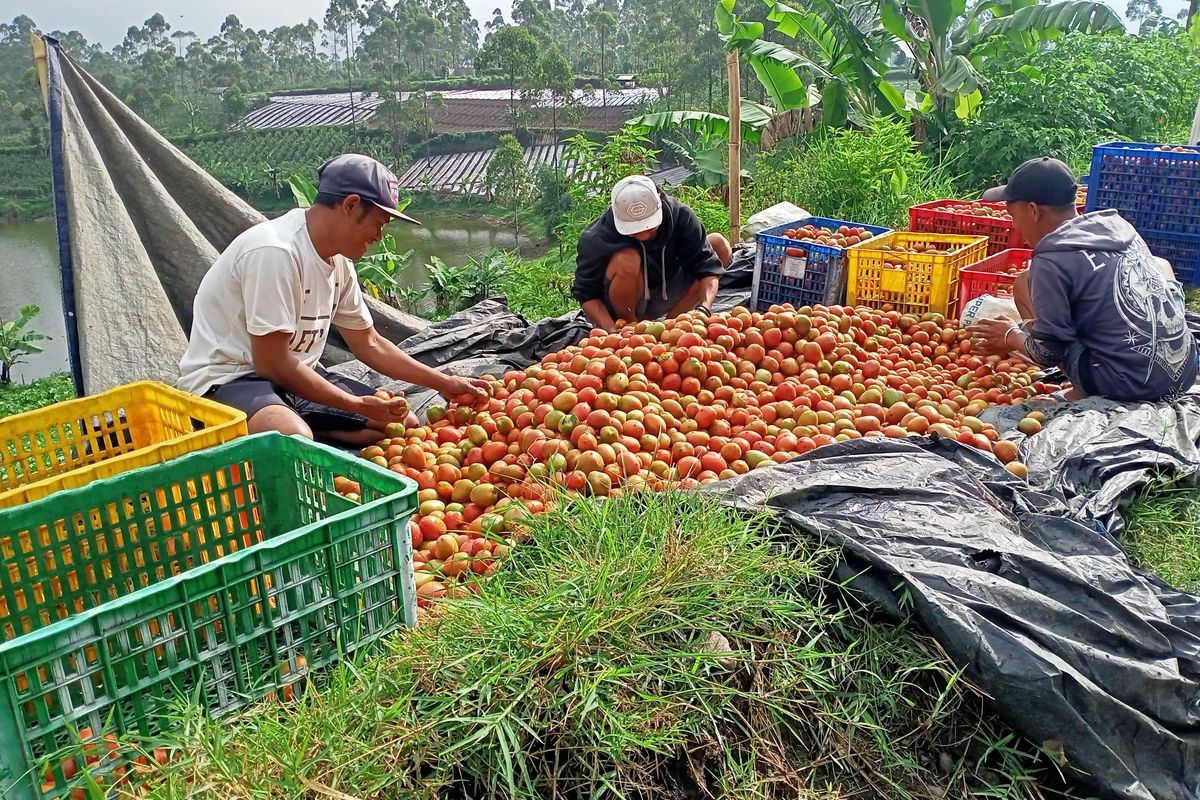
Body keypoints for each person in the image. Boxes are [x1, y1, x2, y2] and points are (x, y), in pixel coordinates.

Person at [178, 153, 488, 445]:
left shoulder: (338, 263)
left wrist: (444, 382)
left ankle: (302, 421)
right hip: (231, 380)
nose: (379, 236)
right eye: (379, 223)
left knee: (401, 426)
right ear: (352, 205)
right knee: (292, 438)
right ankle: (288, 426)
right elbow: (271, 363)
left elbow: (370, 343)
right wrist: (354, 404)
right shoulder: (275, 252)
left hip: (297, 377)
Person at [971, 156, 1197, 402]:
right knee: (1160, 264)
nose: (1014, 225)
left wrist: (1010, 335)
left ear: (1034, 211)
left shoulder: (1052, 259)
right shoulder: (1118, 229)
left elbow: (1047, 353)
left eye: (1013, 215)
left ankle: (1085, 389)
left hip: (1130, 386)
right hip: (1183, 371)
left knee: (1024, 285)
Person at [572, 175, 732, 332]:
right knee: (627, 259)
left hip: (669, 288)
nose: (643, 236)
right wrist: (610, 329)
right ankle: (630, 327)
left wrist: (704, 309)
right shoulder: (595, 238)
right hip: (628, 298)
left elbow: (708, 267)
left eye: (649, 227)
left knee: (718, 244)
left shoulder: (681, 216)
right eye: (633, 231)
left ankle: (674, 323)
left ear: (660, 201)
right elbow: (586, 294)